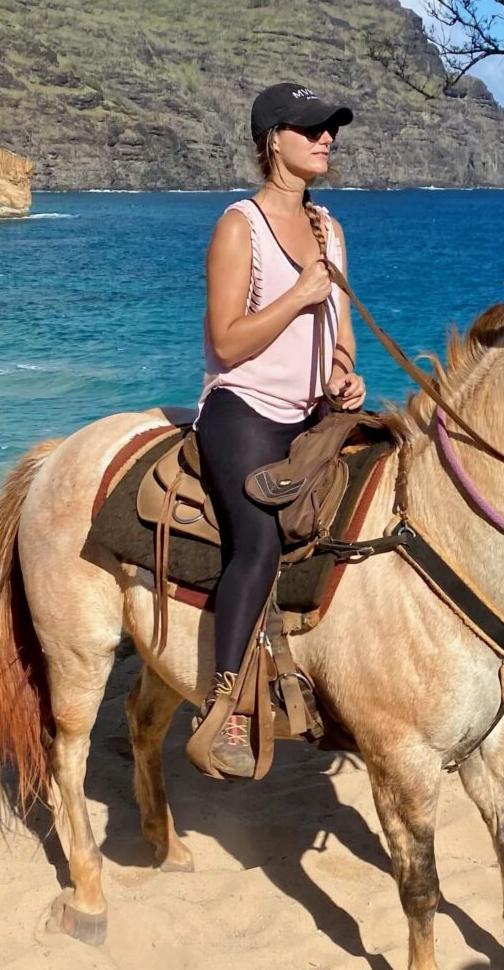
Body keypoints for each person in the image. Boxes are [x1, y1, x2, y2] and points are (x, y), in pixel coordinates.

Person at [190, 82, 366, 777]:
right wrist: (297, 296)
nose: (326, 139)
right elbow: (227, 343)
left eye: (330, 130)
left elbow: (342, 331)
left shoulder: (331, 230)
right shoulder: (240, 226)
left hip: (312, 415)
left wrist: (344, 374)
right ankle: (223, 709)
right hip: (245, 410)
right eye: (311, 128)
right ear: (273, 140)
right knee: (258, 543)